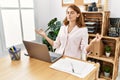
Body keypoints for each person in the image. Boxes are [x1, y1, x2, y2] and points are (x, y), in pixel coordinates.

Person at [35, 4, 102, 60]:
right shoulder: (62, 28)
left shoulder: (83, 30)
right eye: (68, 12)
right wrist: (45, 36)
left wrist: (92, 42)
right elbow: (55, 44)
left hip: (72, 60)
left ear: (78, 14)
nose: (69, 14)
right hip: (58, 58)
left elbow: (84, 49)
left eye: (72, 12)